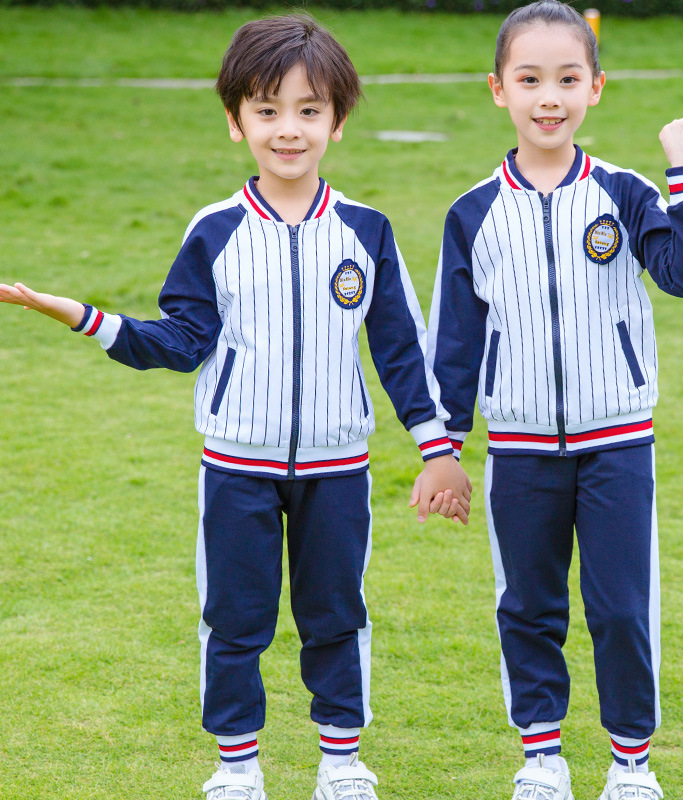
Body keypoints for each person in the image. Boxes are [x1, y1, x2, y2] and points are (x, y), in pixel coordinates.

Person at [0, 15, 471, 800]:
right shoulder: (214, 232)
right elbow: (180, 341)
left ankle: (341, 763)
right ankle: (237, 767)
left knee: (337, 615)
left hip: (338, 469)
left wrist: (437, 448)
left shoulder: (367, 232)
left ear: (337, 122)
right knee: (234, 618)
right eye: (267, 109)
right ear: (235, 120)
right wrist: (82, 316)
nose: (289, 129)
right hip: (236, 468)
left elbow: (400, 351)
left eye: (309, 110)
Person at [426, 3, 683, 800]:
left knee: (622, 608)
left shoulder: (626, 194)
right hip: (519, 450)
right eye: (529, 79)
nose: (548, 97)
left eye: (567, 79)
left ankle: (631, 764)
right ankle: (542, 759)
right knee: (527, 606)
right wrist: (443, 449)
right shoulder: (472, 213)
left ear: (595, 86)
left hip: (617, 444)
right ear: (499, 89)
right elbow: (454, 343)